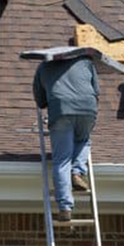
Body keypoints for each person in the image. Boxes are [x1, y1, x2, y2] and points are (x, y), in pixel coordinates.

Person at [32, 56, 100, 222]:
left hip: (61, 110)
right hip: (87, 107)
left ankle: (65, 207)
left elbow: (40, 101)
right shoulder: (85, 62)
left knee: (62, 160)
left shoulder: (44, 66)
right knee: (83, 140)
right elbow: (96, 91)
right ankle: (77, 172)